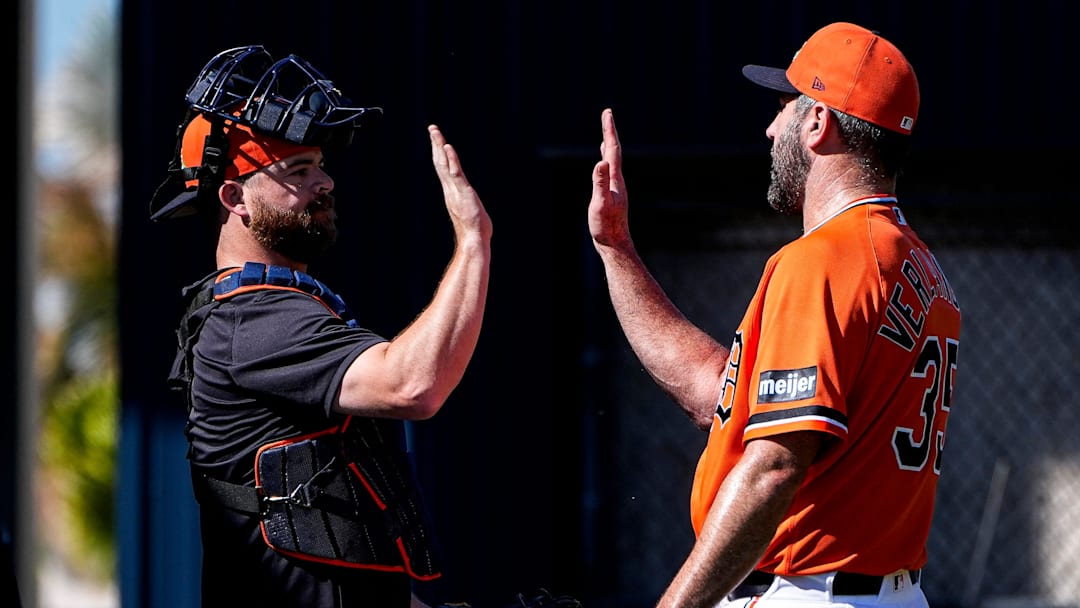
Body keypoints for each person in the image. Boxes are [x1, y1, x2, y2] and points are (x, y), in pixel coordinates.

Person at [587, 22, 960, 608]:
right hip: (882, 594)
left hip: (810, 593)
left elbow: (774, 467)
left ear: (819, 123)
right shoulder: (916, 265)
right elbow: (723, 395)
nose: (769, 126)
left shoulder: (824, 261)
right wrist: (616, 249)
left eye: (785, 106)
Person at [149, 45, 491, 608]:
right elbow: (413, 384)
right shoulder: (253, 318)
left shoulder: (269, 309)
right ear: (235, 197)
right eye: (298, 171)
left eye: (322, 166)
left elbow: (333, 532)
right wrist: (473, 242)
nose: (326, 181)